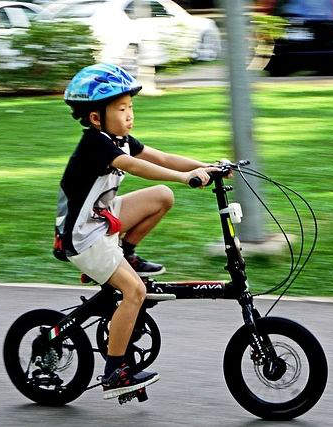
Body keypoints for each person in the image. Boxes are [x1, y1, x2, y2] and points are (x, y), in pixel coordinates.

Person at [55, 63, 217, 400]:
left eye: (131, 107)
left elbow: (162, 156)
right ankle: (116, 370)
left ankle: (126, 253)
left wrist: (207, 166)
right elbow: (135, 166)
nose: (129, 115)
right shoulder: (96, 144)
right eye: (121, 108)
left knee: (162, 197)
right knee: (135, 292)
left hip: (103, 218)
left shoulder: (120, 139)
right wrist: (186, 178)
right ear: (96, 117)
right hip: (85, 237)